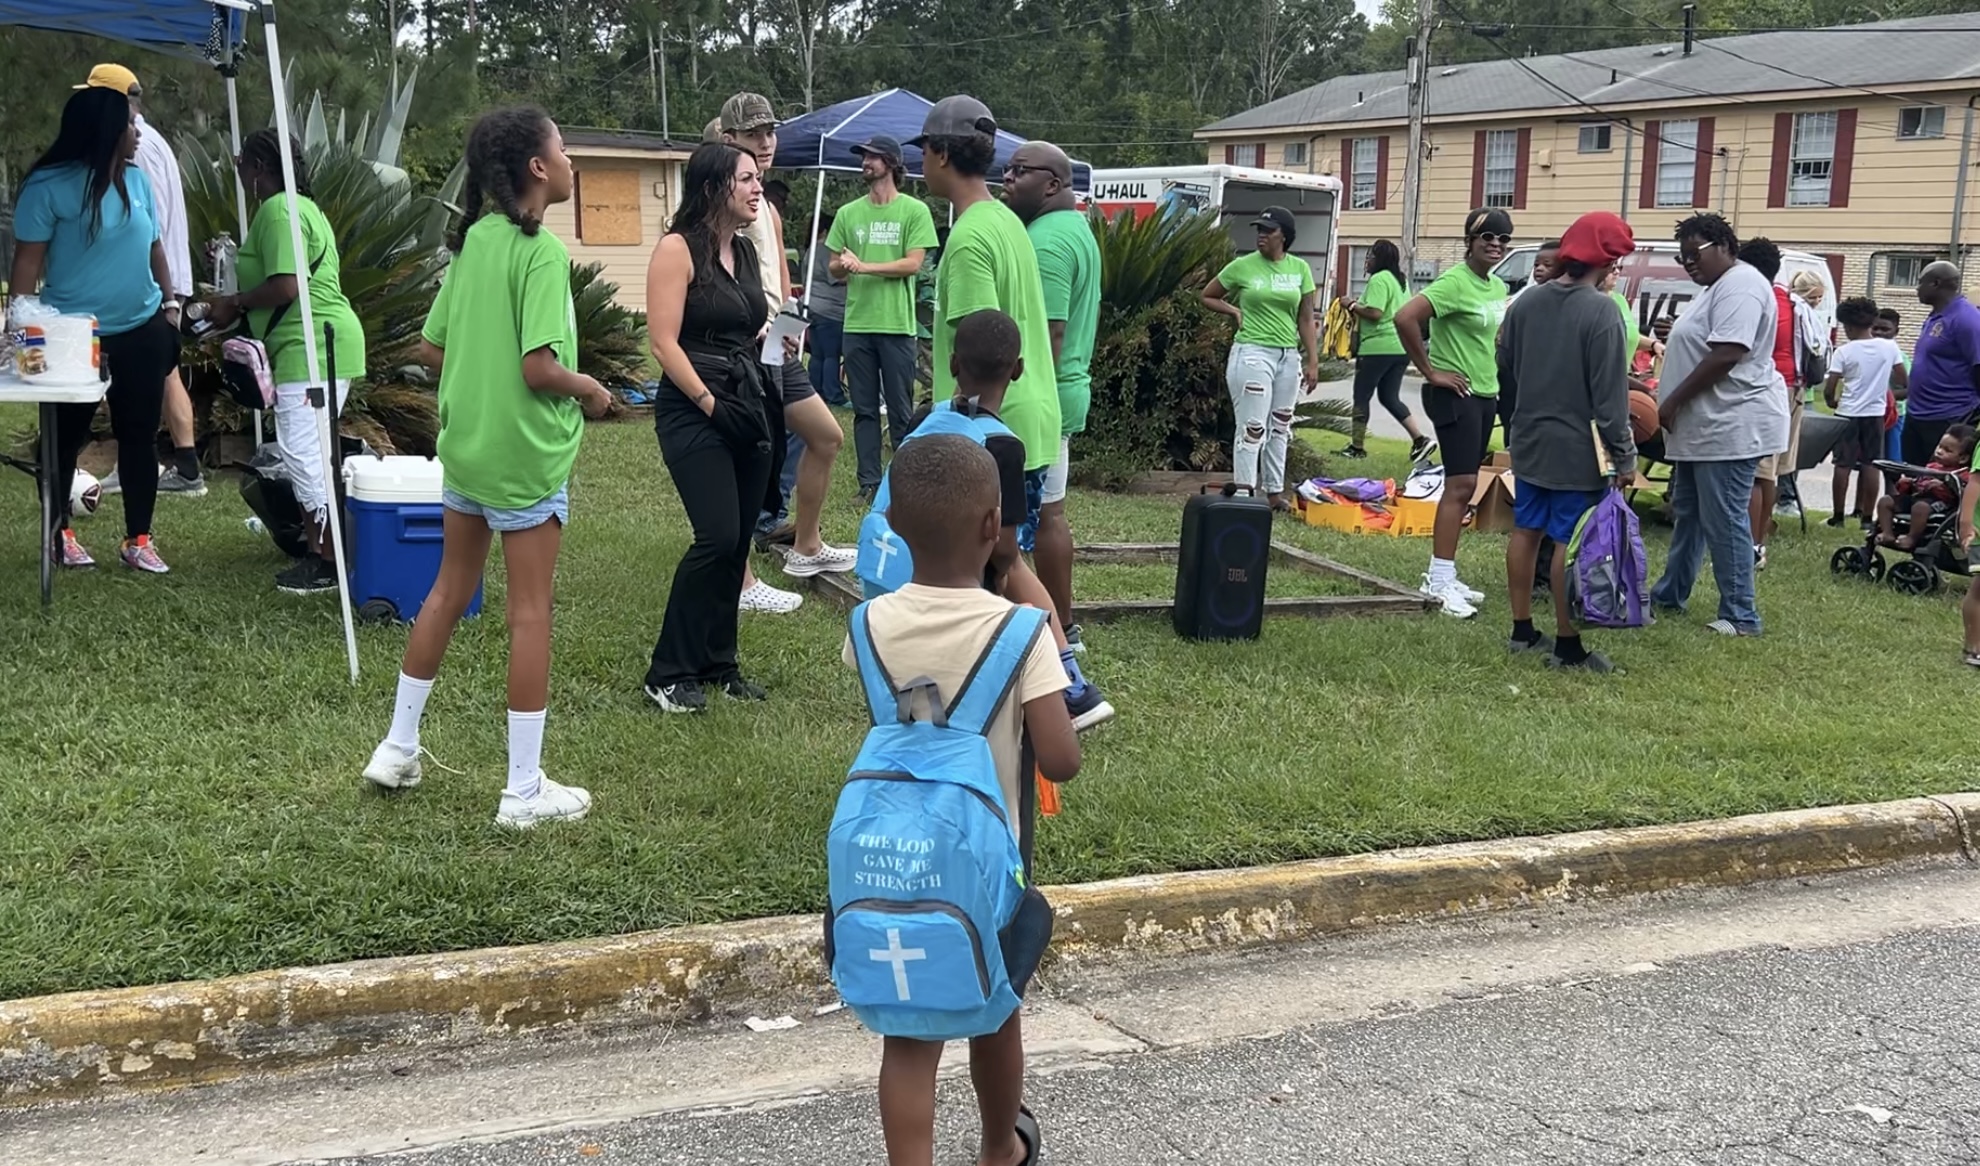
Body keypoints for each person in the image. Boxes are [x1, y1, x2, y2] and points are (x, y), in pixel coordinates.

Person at [361, 107, 610, 827]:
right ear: (538, 168)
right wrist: (589, 387)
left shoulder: (473, 241)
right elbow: (540, 368)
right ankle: (523, 790)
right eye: (564, 149)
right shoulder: (542, 253)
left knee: (447, 589)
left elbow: (433, 348)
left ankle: (397, 746)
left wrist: (482, 361)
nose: (571, 161)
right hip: (525, 457)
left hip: (465, 450)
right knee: (529, 613)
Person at [846, 426, 1080, 1166]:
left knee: (908, 1044)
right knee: (995, 1010)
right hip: (986, 865)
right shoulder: (1020, 629)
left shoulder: (867, 623)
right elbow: (1062, 758)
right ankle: (997, 1150)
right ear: (992, 526)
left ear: (894, 525)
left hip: (892, 856)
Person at [913, 94, 1112, 732]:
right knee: (1006, 559)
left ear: (940, 154)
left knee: (999, 562)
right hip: (1032, 414)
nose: (921, 159)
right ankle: (1050, 684)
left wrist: (957, 422)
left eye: (923, 149)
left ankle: (1067, 688)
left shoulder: (971, 237)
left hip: (993, 422)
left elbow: (978, 342)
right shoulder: (1005, 222)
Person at [9, 85, 179, 574]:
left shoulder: (137, 181)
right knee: (65, 438)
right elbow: (27, 263)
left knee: (139, 435)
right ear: (105, 130)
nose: (138, 133)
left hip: (142, 327)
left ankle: (138, 539)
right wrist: (17, 329)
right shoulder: (48, 186)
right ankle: (60, 532)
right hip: (72, 336)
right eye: (130, 124)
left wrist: (169, 306)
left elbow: (155, 248)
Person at [642, 142, 777, 715]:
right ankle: (668, 671)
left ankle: (720, 663)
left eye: (756, 179)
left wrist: (775, 342)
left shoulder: (744, 253)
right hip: (692, 406)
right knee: (716, 537)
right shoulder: (677, 249)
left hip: (746, 401)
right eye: (745, 179)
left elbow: (745, 327)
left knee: (739, 538)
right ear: (714, 185)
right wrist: (706, 402)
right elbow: (662, 342)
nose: (756, 188)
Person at [201, 128, 367, 594]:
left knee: (303, 456)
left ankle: (331, 562)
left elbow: (287, 285)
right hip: (319, 343)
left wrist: (233, 302)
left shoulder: (278, 209)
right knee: (308, 453)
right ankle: (320, 552)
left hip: (309, 348)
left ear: (259, 167)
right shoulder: (302, 208)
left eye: (241, 161)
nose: (237, 168)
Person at [721, 93, 852, 599]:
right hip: (740, 345)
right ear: (729, 138)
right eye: (754, 134)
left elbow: (781, 274)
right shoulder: (719, 198)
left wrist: (792, 321)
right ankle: (740, 578)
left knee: (824, 435)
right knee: (746, 458)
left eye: (770, 132)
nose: (766, 142)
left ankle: (806, 545)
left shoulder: (767, 206)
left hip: (776, 338)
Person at [1497, 211, 1636, 673]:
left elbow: (1508, 364)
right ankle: (1567, 643)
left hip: (1529, 435)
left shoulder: (1526, 303)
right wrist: (1625, 455)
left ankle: (1521, 629)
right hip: (1577, 447)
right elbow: (1611, 399)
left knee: (1525, 530)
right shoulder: (1602, 312)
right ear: (1609, 261)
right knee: (1567, 542)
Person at [1649, 213, 1788, 638]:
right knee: (1689, 512)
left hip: (1730, 424)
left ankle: (1741, 614)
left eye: (1696, 253)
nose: (1689, 262)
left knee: (1725, 516)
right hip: (1704, 427)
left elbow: (1728, 351)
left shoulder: (1743, 285)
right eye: (1683, 256)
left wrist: (1672, 400)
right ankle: (1671, 593)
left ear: (1725, 245)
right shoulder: (1718, 287)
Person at [74, 64, 205, 500]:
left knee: (157, 377)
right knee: (162, 375)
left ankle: (183, 467)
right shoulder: (146, 140)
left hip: (150, 281)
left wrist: (158, 294)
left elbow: (147, 223)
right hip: (157, 280)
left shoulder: (138, 148)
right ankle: (179, 465)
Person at [1394, 206, 1513, 618]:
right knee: (1460, 485)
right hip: (1455, 395)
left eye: (1502, 239)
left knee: (1466, 485)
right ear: (1470, 241)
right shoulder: (1454, 283)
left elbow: (1491, 337)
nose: (1495, 244)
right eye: (1487, 237)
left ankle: (1447, 572)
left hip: (1485, 393)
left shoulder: (1496, 287)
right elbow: (1405, 317)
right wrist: (1430, 371)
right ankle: (1437, 580)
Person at [1004, 140, 1100, 644]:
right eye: (1007, 169)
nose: (1008, 179)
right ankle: (1064, 623)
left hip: (1045, 393)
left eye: (1020, 171)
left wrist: (1013, 394)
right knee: (1053, 514)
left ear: (1054, 183)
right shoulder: (1077, 229)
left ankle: (1051, 629)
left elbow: (1050, 332)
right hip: (1069, 390)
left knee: (1025, 522)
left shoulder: (1045, 242)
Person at [827, 134, 938, 499]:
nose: (865, 162)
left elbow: (914, 263)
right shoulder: (848, 213)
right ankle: (869, 484)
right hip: (857, 326)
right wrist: (843, 266)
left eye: (871, 157)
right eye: (863, 156)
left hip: (897, 327)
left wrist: (864, 265)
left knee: (901, 411)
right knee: (864, 411)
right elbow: (833, 266)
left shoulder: (914, 211)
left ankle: (905, 484)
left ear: (890, 163)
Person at [1201, 205, 1320, 509]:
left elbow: (1306, 318)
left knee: (1280, 425)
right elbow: (1208, 294)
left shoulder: (1300, 269)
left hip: (1287, 356)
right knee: (1253, 427)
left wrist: (1312, 360)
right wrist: (1234, 310)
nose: (1262, 235)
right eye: (1259, 230)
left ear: (1285, 236)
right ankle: (1243, 494)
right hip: (1252, 353)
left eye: (1269, 230)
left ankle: (1274, 492)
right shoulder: (1243, 266)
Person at [1736, 238, 1798, 570]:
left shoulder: (1757, 298)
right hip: (1788, 390)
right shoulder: (1786, 299)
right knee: (1768, 472)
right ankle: (1758, 542)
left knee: (1755, 474)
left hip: (1764, 390)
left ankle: (1750, 545)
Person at [1340, 240, 1433, 461]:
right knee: (1389, 396)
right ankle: (1420, 439)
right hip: (1400, 347)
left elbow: (1375, 312)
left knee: (1361, 396)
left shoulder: (1379, 279)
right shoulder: (1400, 281)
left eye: (1370, 255)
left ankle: (1356, 447)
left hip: (1376, 348)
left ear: (1379, 258)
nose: (1367, 260)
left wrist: (1351, 305)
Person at [1823, 296, 1905, 526]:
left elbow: (1830, 388)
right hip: (1875, 413)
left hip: (1848, 412)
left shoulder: (1844, 351)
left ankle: (1838, 516)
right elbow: (1902, 379)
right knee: (1871, 464)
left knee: (1842, 464)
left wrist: (1832, 400)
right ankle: (1868, 518)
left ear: (1847, 325)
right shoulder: (1889, 347)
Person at [1906, 261, 1980, 466]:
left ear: (1936, 284)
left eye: (1921, 282)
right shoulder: (1935, 317)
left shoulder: (1966, 318)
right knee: (1910, 479)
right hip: (1917, 413)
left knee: (1936, 483)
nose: (1917, 288)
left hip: (1948, 416)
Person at [1876, 424, 1972, 551]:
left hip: (1940, 503)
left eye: (1948, 450)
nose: (1939, 451)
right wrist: (1909, 483)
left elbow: (1962, 491)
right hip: (1918, 497)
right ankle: (1887, 532)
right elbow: (1919, 482)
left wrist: (1944, 486)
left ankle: (1912, 537)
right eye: (1940, 446)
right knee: (1885, 501)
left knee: (1920, 508)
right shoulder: (1932, 466)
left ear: (1963, 458)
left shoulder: (1962, 473)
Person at [803, 209, 847, 407]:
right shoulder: (826, 251)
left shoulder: (810, 249)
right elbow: (835, 277)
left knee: (818, 354)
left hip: (812, 306)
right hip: (830, 310)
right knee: (831, 354)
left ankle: (815, 391)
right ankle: (833, 394)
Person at [1876, 307, 1908, 463]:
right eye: (1875, 328)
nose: (1879, 333)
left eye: (1885, 329)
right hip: (1871, 415)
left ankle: (1892, 488)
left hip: (1894, 416)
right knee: (1871, 461)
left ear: (1896, 331)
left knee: (1892, 463)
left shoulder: (1900, 357)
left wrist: (1885, 396)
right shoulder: (1868, 352)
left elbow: (1907, 390)